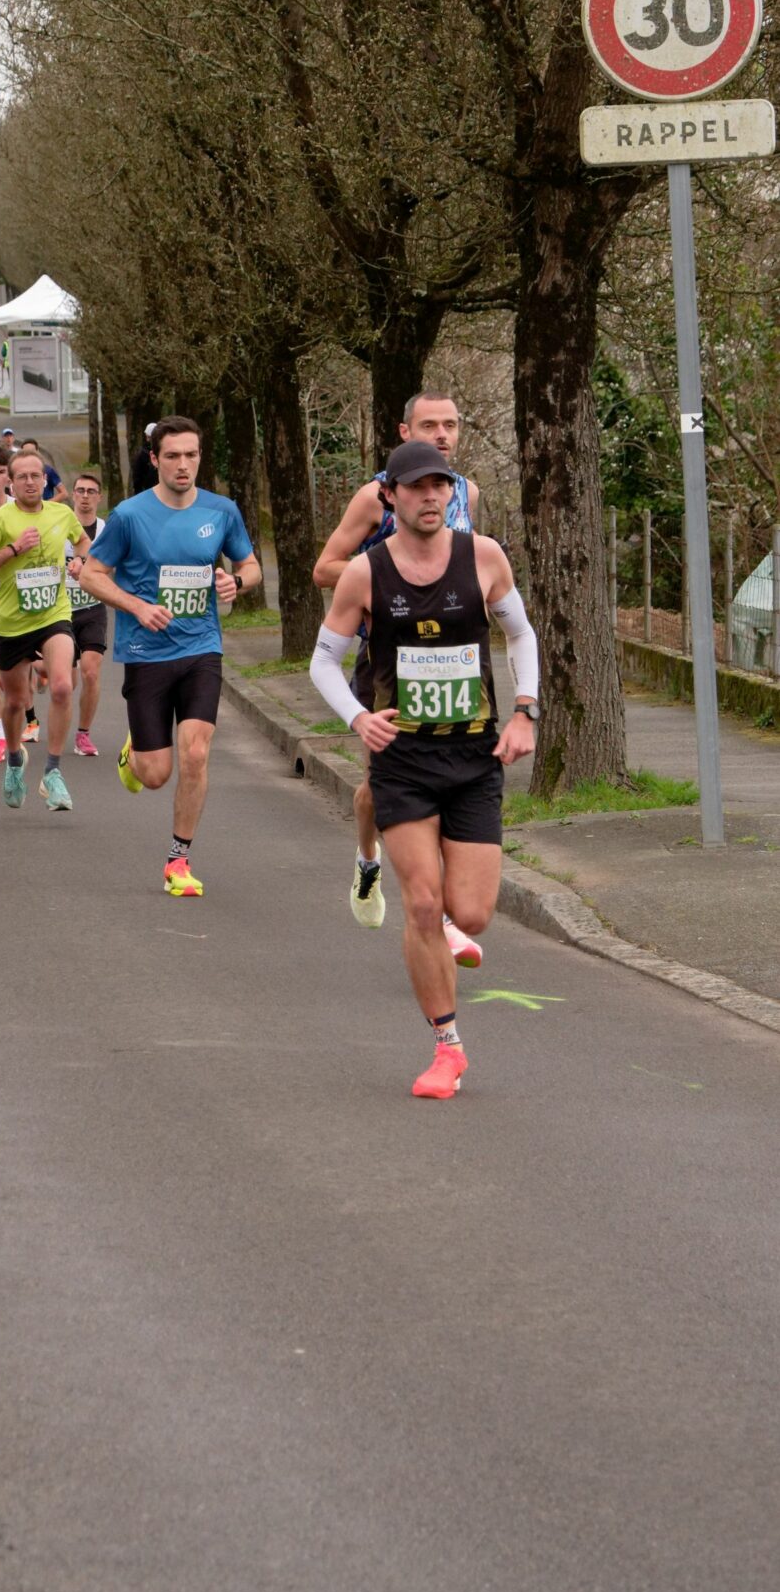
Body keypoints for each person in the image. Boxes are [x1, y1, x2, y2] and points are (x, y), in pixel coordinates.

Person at [310, 440, 538, 1099]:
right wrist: (358, 718)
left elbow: (520, 634)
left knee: (471, 913)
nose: (430, 495)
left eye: (440, 484)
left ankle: (442, 933)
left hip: (473, 758)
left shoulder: (483, 556)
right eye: (416, 486)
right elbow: (323, 661)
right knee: (421, 902)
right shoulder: (364, 573)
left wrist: (525, 711)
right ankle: (446, 1047)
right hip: (403, 761)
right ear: (390, 496)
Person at [314, 391, 482, 957]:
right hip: (386, 660)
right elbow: (323, 569)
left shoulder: (465, 493)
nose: (442, 434)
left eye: (450, 424)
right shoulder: (374, 497)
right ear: (404, 430)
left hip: (453, 662)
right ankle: (368, 861)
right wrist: (390, 571)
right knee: (377, 789)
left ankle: (443, 913)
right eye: (429, 425)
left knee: (450, 781)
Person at [76, 415, 260, 896]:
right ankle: (133, 755)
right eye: (173, 456)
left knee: (196, 753)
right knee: (156, 774)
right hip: (146, 651)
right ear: (155, 459)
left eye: (191, 455)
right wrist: (137, 606)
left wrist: (236, 581)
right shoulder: (129, 516)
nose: (183, 465)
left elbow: (250, 565)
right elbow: (92, 575)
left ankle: (179, 860)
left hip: (202, 647)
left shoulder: (222, 511)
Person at [0, 445, 91, 811]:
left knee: (63, 686)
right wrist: (13, 549)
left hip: (54, 615)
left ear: (45, 480)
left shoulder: (61, 513)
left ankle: (52, 772)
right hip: (12, 622)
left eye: (36, 475)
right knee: (17, 702)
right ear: (11, 482)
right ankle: (14, 759)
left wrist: (81, 560)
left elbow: (83, 540)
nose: (29, 482)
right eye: (21, 477)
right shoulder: (0, 520)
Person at [66, 470, 109, 757]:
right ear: (73, 495)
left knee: (91, 672)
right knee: (66, 682)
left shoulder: (107, 530)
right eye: (80, 491)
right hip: (60, 611)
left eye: (90, 492)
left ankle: (83, 734)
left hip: (93, 608)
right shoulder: (59, 524)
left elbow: (115, 565)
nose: (85, 497)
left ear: (99, 497)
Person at [129, 424, 159, 495]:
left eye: (148, 437)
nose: (147, 439)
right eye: (147, 437)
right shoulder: (144, 453)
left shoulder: (143, 453)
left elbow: (137, 477)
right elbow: (137, 477)